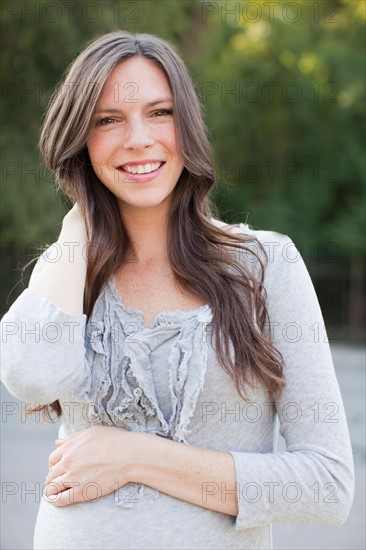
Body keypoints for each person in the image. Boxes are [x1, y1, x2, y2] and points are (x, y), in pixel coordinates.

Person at [0, 30, 354, 550]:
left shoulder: (263, 265)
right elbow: (30, 380)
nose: (139, 137)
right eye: (108, 119)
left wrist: (136, 456)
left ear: (186, 125)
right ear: (80, 140)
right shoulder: (66, 269)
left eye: (160, 112)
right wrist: (75, 230)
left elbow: (327, 486)